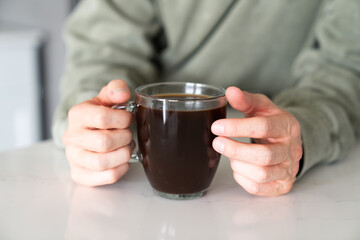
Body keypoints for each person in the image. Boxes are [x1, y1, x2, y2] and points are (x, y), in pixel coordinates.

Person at [53, 0, 360, 197]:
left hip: (266, 170)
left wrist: (302, 132)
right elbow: (102, 49)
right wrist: (97, 118)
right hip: (140, 170)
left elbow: (345, 66)